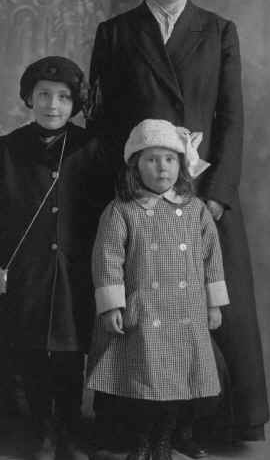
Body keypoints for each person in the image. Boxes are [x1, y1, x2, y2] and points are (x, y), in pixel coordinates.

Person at [87, 0, 269, 444]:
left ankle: (220, 421)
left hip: (203, 194)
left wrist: (215, 194)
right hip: (139, 194)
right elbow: (103, 125)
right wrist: (127, 190)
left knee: (216, 303)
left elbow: (233, 120)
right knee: (141, 306)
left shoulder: (219, 32)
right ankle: (134, 422)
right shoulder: (116, 34)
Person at [0, 56, 104, 460]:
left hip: (75, 270)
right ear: (29, 97)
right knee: (31, 349)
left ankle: (71, 428)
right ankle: (42, 431)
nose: (52, 105)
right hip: (25, 271)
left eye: (63, 98)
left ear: (74, 104)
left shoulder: (90, 149)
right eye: (43, 95)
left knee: (70, 348)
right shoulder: (2, 151)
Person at [87, 119, 230, 460]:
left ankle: (165, 439)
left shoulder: (195, 211)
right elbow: (107, 259)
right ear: (135, 165)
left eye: (169, 158)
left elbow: (212, 260)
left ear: (181, 164)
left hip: (186, 312)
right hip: (143, 312)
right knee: (143, 381)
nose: (161, 167)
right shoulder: (121, 211)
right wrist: (111, 306)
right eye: (151, 159)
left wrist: (214, 305)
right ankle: (142, 441)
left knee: (181, 382)